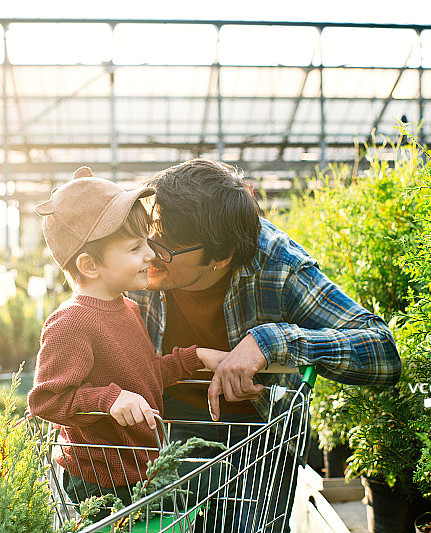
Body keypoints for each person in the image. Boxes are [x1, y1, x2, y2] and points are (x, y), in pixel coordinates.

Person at [126, 158, 402, 532]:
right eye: (149, 234)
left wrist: (272, 340)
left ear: (220, 256)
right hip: (164, 424)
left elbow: (381, 351)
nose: (148, 253)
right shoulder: (136, 253)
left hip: (258, 438)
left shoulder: (277, 264)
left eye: (166, 248)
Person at [27, 166, 227, 519]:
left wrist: (195, 357)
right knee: (210, 493)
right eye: (135, 247)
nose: (150, 255)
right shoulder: (70, 322)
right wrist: (109, 399)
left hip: (140, 468)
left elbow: (144, 375)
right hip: (99, 479)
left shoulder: (128, 307)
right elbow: (46, 400)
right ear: (89, 265)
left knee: (213, 491)